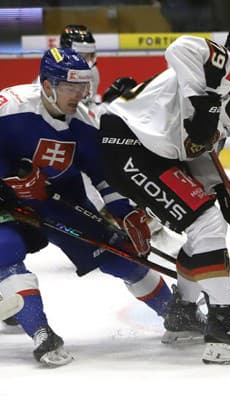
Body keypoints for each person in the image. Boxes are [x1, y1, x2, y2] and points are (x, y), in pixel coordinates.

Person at [98, 23, 230, 364]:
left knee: (207, 219)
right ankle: (221, 326)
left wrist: (224, 193)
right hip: (127, 144)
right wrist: (204, 98)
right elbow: (180, 47)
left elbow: (200, 153)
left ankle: (181, 313)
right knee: (206, 223)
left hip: (153, 154)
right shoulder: (222, 65)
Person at [0, 47, 172, 367]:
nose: (79, 95)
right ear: (48, 85)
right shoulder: (11, 106)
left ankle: (177, 314)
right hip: (6, 200)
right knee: (6, 249)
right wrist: (6, 180)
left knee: (121, 256)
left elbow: (103, 177)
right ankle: (40, 332)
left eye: (82, 87)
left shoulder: (85, 124)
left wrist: (125, 212)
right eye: (70, 87)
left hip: (60, 198)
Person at [59, 24, 100, 106]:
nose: (85, 61)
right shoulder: (52, 73)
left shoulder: (93, 72)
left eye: (88, 55)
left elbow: (89, 107)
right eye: (80, 55)